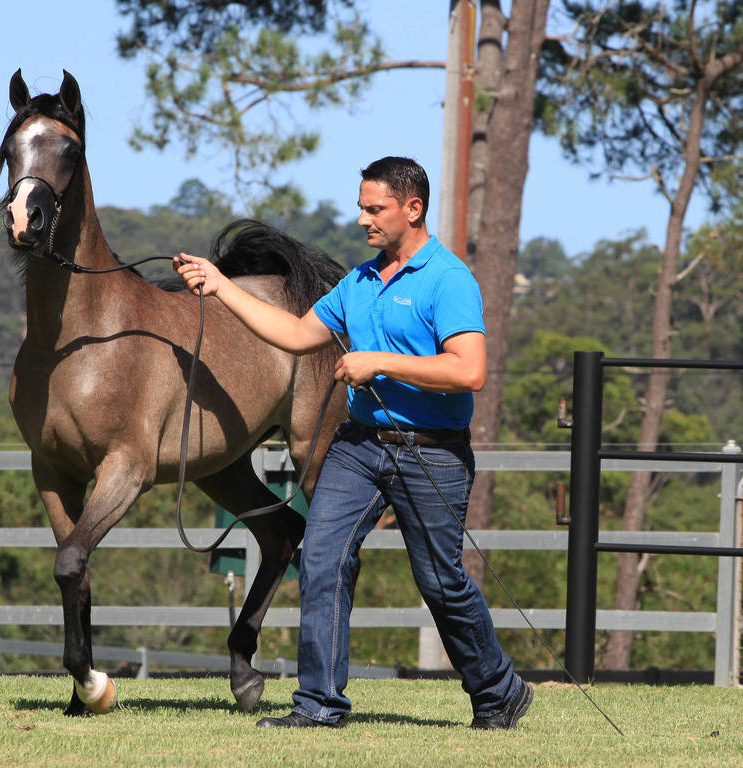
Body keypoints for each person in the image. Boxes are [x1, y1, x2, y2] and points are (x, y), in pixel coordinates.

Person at [175, 156, 532, 730]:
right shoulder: (360, 283)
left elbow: (470, 372)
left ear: (412, 209)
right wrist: (220, 288)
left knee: (441, 582)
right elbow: (294, 334)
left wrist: (379, 362)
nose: (362, 218)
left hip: (432, 450)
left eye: (375, 208)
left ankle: (498, 689)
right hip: (360, 446)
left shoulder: (448, 279)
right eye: (361, 206)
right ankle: (318, 705)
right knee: (320, 557)